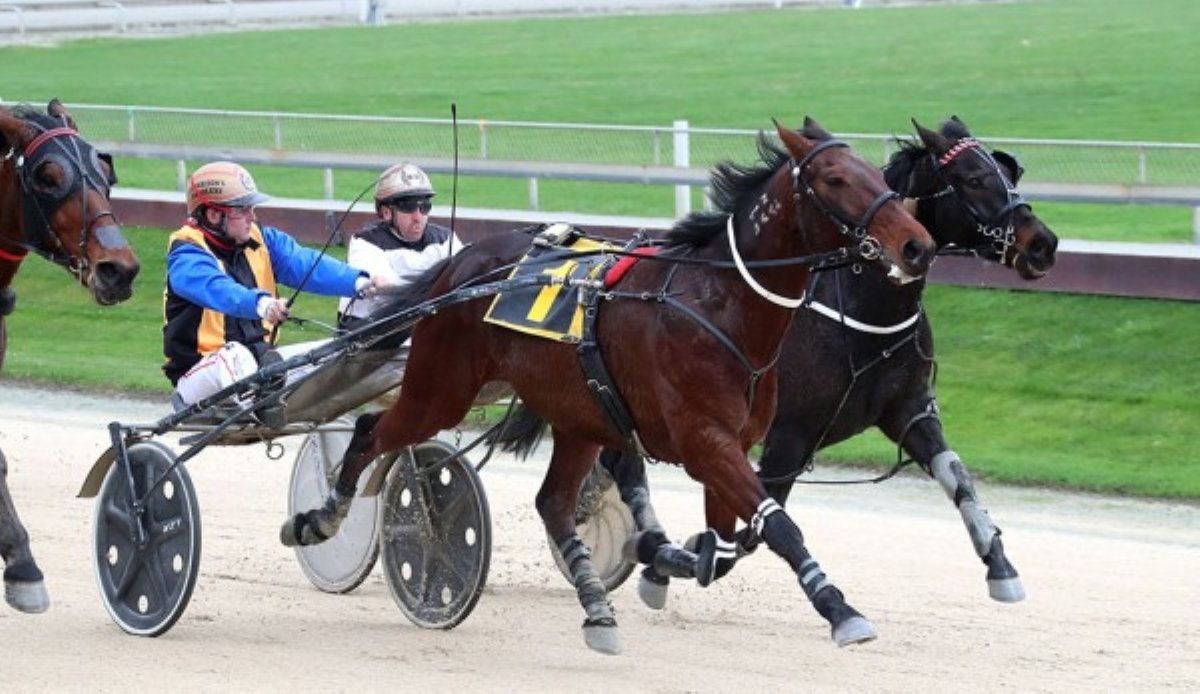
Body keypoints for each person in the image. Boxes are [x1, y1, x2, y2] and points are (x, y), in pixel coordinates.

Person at [163, 161, 388, 421]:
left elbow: (304, 263)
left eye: (252, 208)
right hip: (200, 379)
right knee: (235, 355)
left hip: (259, 371)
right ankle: (263, 407)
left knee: (333, 353)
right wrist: (263, 305)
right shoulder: (186, 254)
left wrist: (360, 282)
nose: (252, 217)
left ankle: (285, 409)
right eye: (243, 210)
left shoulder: (262, 240)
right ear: (214, 215)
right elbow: (218, 290)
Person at [337, 162, 462, 330]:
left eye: (425, 207)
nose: (418, 217)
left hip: (422, 329)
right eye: (409, 207)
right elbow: (385, 291)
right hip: (370, 332)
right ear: (386, 212)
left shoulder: (446, 239)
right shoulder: (365, 241)